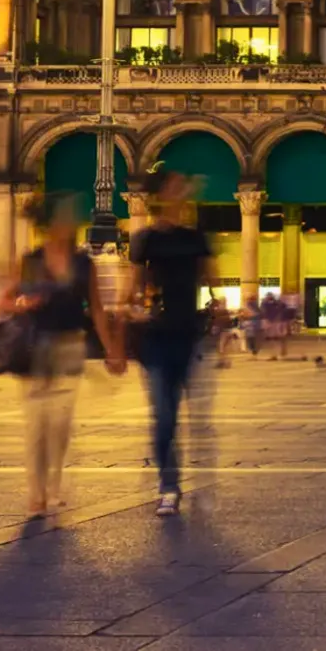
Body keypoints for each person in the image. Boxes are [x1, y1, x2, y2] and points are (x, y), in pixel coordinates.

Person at [6, 195, 123, 517]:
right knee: (35, 423)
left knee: (60, 423)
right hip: (34, 347)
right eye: (64, 218)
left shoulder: (84, 263)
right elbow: (4, 299)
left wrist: (111, 348)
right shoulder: (30, 260)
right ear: (50, 224)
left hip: (70, 344)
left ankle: (54, 488)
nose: (70, 224)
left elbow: (97, 309)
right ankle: (36, 493)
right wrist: (23, 304)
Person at [128, 174, 214, 516]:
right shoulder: (145, 239)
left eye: (183, 187)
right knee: (164, 416)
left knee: (198, 417)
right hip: (157, 336)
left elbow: (212, 279)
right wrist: (133, 312)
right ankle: (169, 485)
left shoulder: (196, 237)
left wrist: (220, 317)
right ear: (159, 196)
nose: (180, 192)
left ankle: (199, 481)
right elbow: (133, 287)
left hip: (190, 333)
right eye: (173, 187)